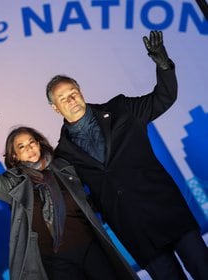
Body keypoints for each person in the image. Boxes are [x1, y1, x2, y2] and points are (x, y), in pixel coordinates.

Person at [45, 30, 208, 280]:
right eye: (63, 99)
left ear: (81, 91)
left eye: (73, 92)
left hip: (166, 210)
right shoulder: (63, 156)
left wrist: (164, 66)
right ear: (56, 109)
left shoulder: (121, 109)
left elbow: (163, 98)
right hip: (134, 230)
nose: (72, 100)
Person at [0, 102, 138, 280]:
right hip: (55, 261)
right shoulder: (14, 184)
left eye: (31, 142)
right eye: (22, 147)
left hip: (90, 247)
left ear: (39, 144)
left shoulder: (63, 167)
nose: (29, 148)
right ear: (14, 156)